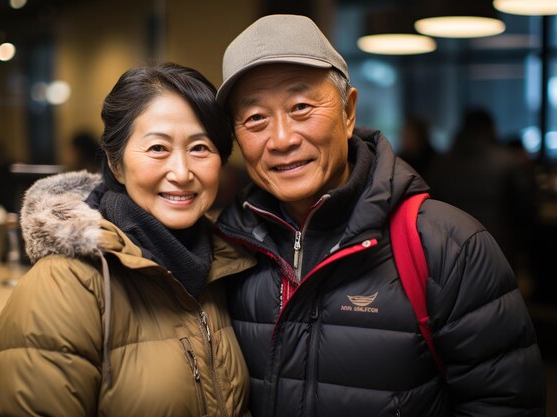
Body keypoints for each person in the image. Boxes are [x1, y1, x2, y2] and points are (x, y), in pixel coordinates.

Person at [214, 14, 545, 417]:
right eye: (255, 119)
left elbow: (502, 404)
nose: (282, 139)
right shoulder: (224, 252)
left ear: (348, 111)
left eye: (301, 106)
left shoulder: (449, 247)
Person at [0, 63, 256, 416]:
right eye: (158, 148)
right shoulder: (64, 284)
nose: (181, 172)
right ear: (115, 164)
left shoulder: (224, 266)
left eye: (200, 148)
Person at [426, 109, 539, 282]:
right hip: (497, 248)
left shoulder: (440, 163)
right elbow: (526, 209)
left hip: (449, 249)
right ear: (492, 128)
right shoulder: (507, 162)